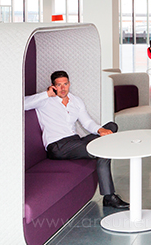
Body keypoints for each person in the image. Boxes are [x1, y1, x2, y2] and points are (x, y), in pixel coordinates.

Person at [24, 70, 129, 209]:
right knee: (102, 150)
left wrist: (100, 130)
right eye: (59, 85)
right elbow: (22, 104)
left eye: (65, 84)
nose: (63, 88)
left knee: (111, 126)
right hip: (58, 146)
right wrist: (47, 94)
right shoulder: (45, 101)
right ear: (53, 86)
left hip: (76, 142)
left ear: (69, 84)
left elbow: (87, 123)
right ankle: (109, 196)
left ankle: (108, 192)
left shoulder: (75, 101)